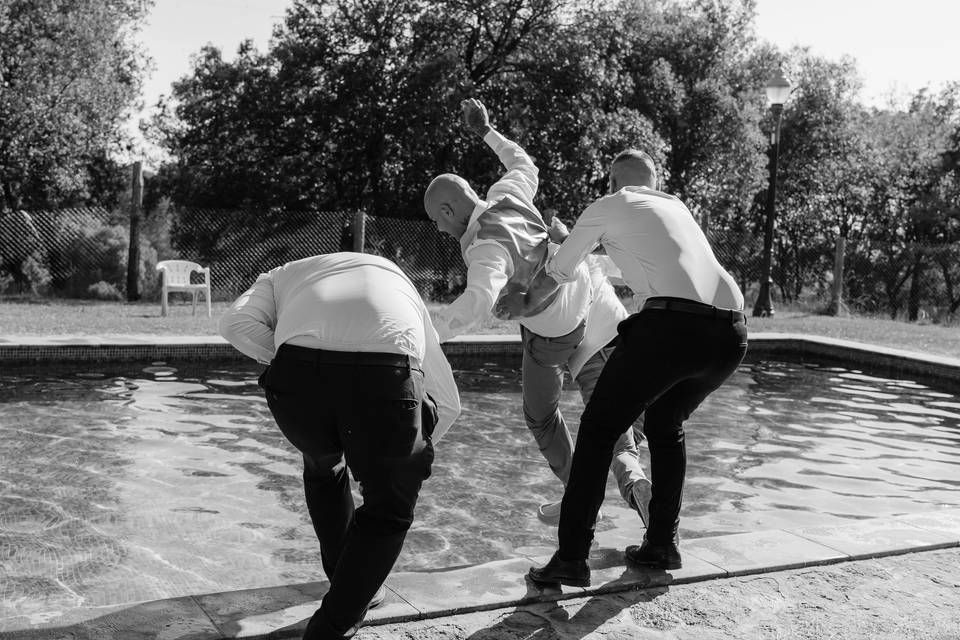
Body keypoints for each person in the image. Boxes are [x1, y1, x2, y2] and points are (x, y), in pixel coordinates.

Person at [423, 98, 650, 523]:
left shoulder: (484, 249)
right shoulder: (507, 192)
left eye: (437, 219)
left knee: (541, 416)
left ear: (450, 210)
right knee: (605, 406)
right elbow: (523, 161)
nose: (438, 228)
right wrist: (486, 130)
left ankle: (578, 495)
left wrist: (423, 329)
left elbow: (475, 305)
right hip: (583, 289)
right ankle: (631, 473)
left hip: (553, 326)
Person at [528, 149, 748, 587]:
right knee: (666, 425)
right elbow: (638, 262)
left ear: (612, 182)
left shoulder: (608, 205)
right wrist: (585, 238)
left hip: (672, 327)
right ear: (655, 180)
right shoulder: (675, 207)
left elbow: (561, 270)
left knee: (598, 430)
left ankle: (572, 557)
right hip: (732, 333)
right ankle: (662, 545)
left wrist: (530, 290)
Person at [220, 252, 460, 640]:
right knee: (388, 511)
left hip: (296, 384)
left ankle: (350, 583)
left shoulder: (277, 275)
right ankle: (331, 626)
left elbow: (234, 324)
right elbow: (449, 403)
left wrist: (291, 356)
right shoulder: (397, 280)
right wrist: (396, 465)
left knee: (323, 469)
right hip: (385, 374)